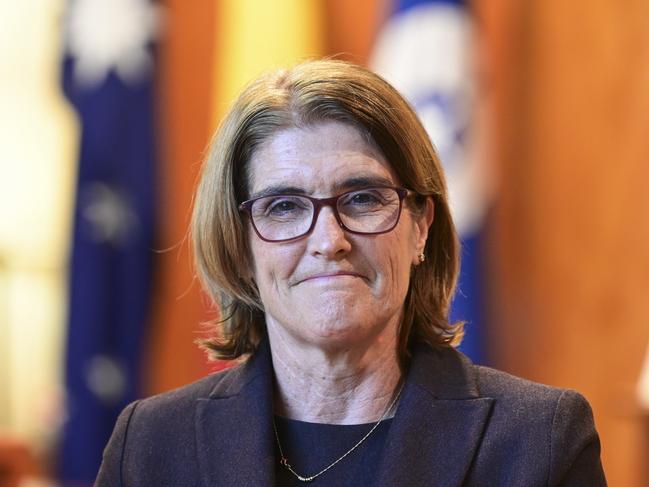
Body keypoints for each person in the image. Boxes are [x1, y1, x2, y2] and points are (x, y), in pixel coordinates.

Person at [96, 60, 606, 486]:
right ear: (239, 242)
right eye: (284, 207)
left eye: (362, 199)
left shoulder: (539, 441)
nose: (329, 241)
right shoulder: (149, 447)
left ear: (421, 227)